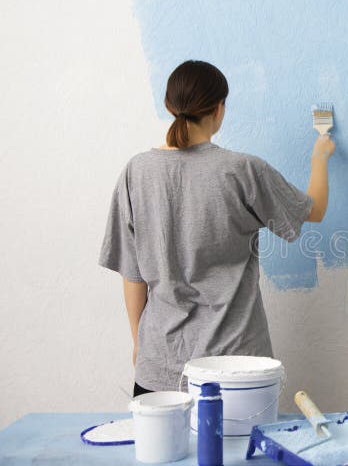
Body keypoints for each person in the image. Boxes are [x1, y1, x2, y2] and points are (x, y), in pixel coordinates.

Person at [99, 60, 334, 396]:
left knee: (165, 452)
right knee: (240, 451)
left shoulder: (136, 172)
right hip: (237, 370)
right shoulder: (242, 170)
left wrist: (140, 344)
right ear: (219, 108)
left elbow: (132, 274)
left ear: (171, 106)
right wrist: (319, 158)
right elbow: (315, 210)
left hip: (159, 369)